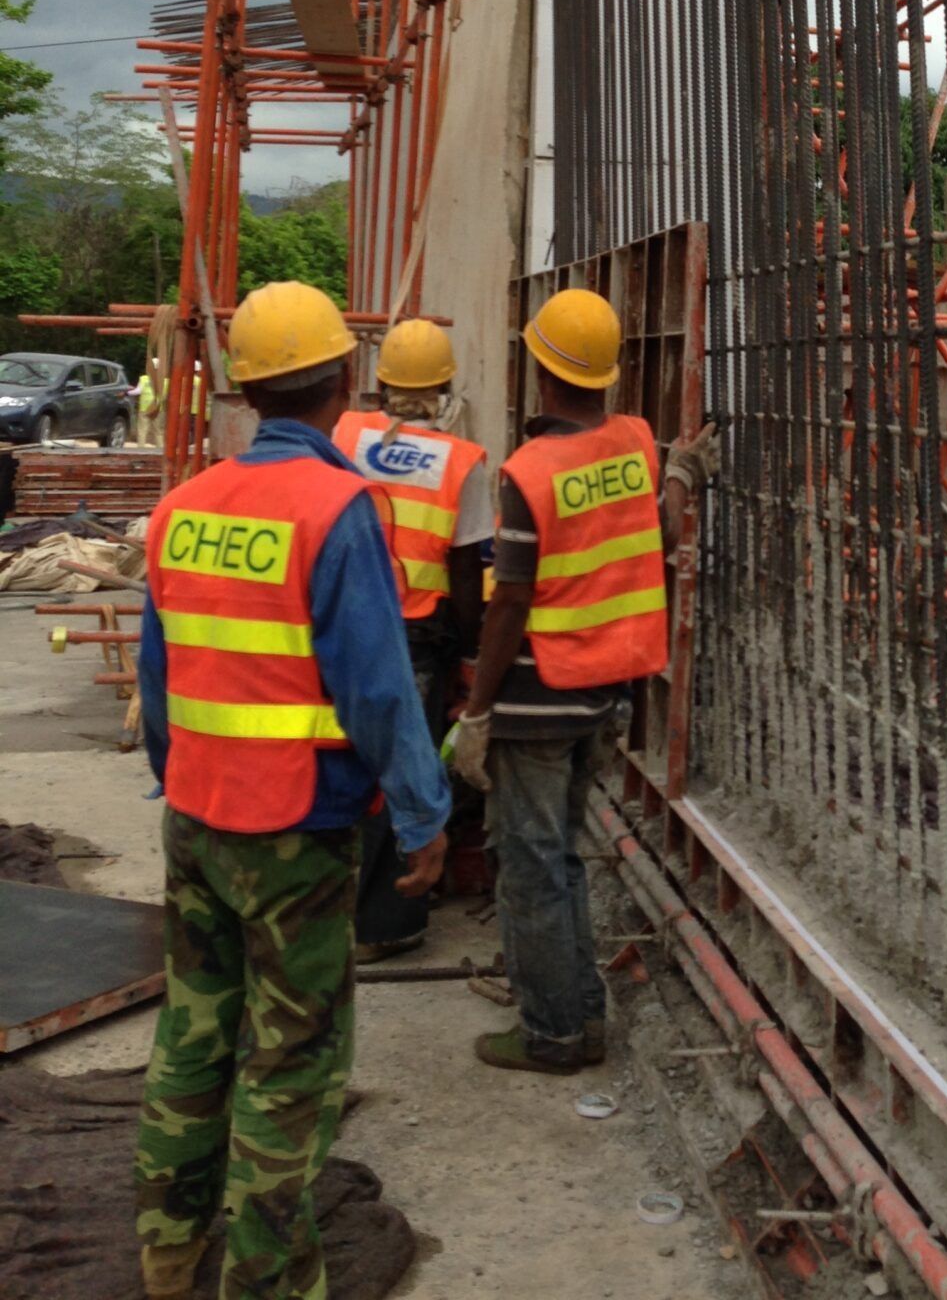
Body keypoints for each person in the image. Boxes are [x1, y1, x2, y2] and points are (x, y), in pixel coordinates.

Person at [133, 281, 451, 1300]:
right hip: (300, 828)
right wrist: (422, 817)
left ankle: (169, 1254)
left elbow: (157, 680)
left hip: (197, 814)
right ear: (342, 380)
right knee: (290, 1061)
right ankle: (268, 1283)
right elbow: (378, 691)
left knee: (191, 1031)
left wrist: (180, 779)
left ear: (246, 391)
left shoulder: (181, 508)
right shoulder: (339, 507)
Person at [451, 287, 719, 1074]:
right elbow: (663, 529)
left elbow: (510, 601)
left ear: (538, 368)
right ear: (607, 373)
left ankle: (554, 1033)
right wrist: (682, 475)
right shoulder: (634, 442)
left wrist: (477, 709)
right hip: (604, 695)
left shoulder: (528, 471)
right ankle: (579, 1016)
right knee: (559, 858)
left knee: (532, 873)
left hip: (535, 700)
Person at [333, 319, 492, 960]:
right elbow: (466, 567)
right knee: (406, 775)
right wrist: (474, 655)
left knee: (344, 763)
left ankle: (331, 910)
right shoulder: (462, 462)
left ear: (381, 384)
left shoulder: (343, 435)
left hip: (345, 623)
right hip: (418, 638)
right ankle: (389, 923)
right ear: (447, 385)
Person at [135, 367, 162, 449]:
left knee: (142, 431)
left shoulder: (143, 378)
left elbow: (138, 391)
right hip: (157, 409)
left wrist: (127, 393)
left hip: (145, 408)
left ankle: (141, 450)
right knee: (158, 432)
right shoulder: (162, 379)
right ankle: (160, 450)